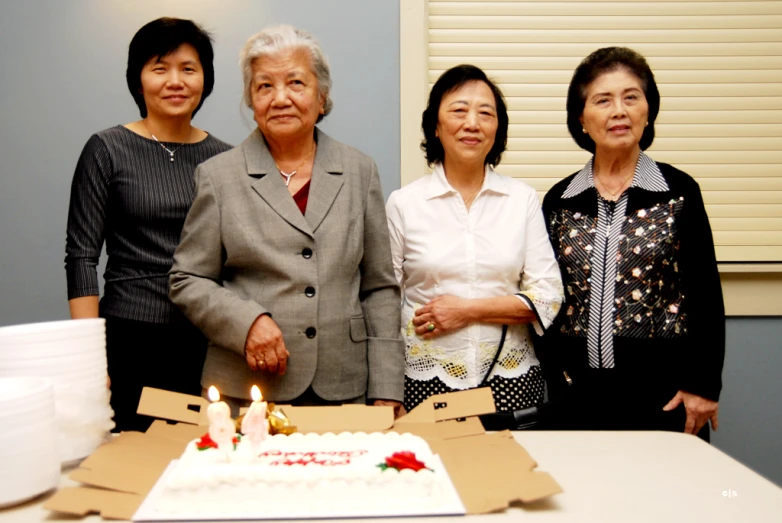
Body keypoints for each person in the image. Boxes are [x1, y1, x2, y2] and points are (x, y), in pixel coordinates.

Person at [169, 25, 404, 417]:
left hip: (344, 386)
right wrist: (247, 323)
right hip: (248, 388)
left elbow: (379, 287)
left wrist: (387, 385)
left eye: (296, 83)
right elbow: (187, 279)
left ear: (321, 97)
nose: (280, 99)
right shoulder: (219, 176)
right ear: (251, 100)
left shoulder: (359, 170)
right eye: (264, 87)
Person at [541, 47, 725, 439]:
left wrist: (704, 386)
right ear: (582, 119)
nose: (618, 111)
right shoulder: (559, 200)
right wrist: (555, 379)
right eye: (603, 100)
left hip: (664, 398)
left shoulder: (678, 192)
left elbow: (705, 293)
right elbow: (547, 298)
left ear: (648, 110)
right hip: (576, 396)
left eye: (631, 97)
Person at [64, 18, 232, 432]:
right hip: (129, 337)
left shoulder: (226, 158)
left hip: (207, 339)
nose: (175, 81)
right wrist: (89, 358)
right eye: (160, 68)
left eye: (188, 69)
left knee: (204, 463)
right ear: (138, 81)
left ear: (205, 81)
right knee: (133, 462)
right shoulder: (107, 149)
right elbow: (81, 256)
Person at [386, 65, 563, 416]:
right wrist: (387, 392)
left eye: (486, 113)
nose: (472, 123)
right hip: (424, 380)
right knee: (433, 470)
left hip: (510, 379)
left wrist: (465, 311)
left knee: (509, 471)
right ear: (435, 126)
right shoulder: (404, 203)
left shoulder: (521, 199)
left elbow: (548, 297)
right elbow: (383, 302)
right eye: (458, 110)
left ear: (498, 129)